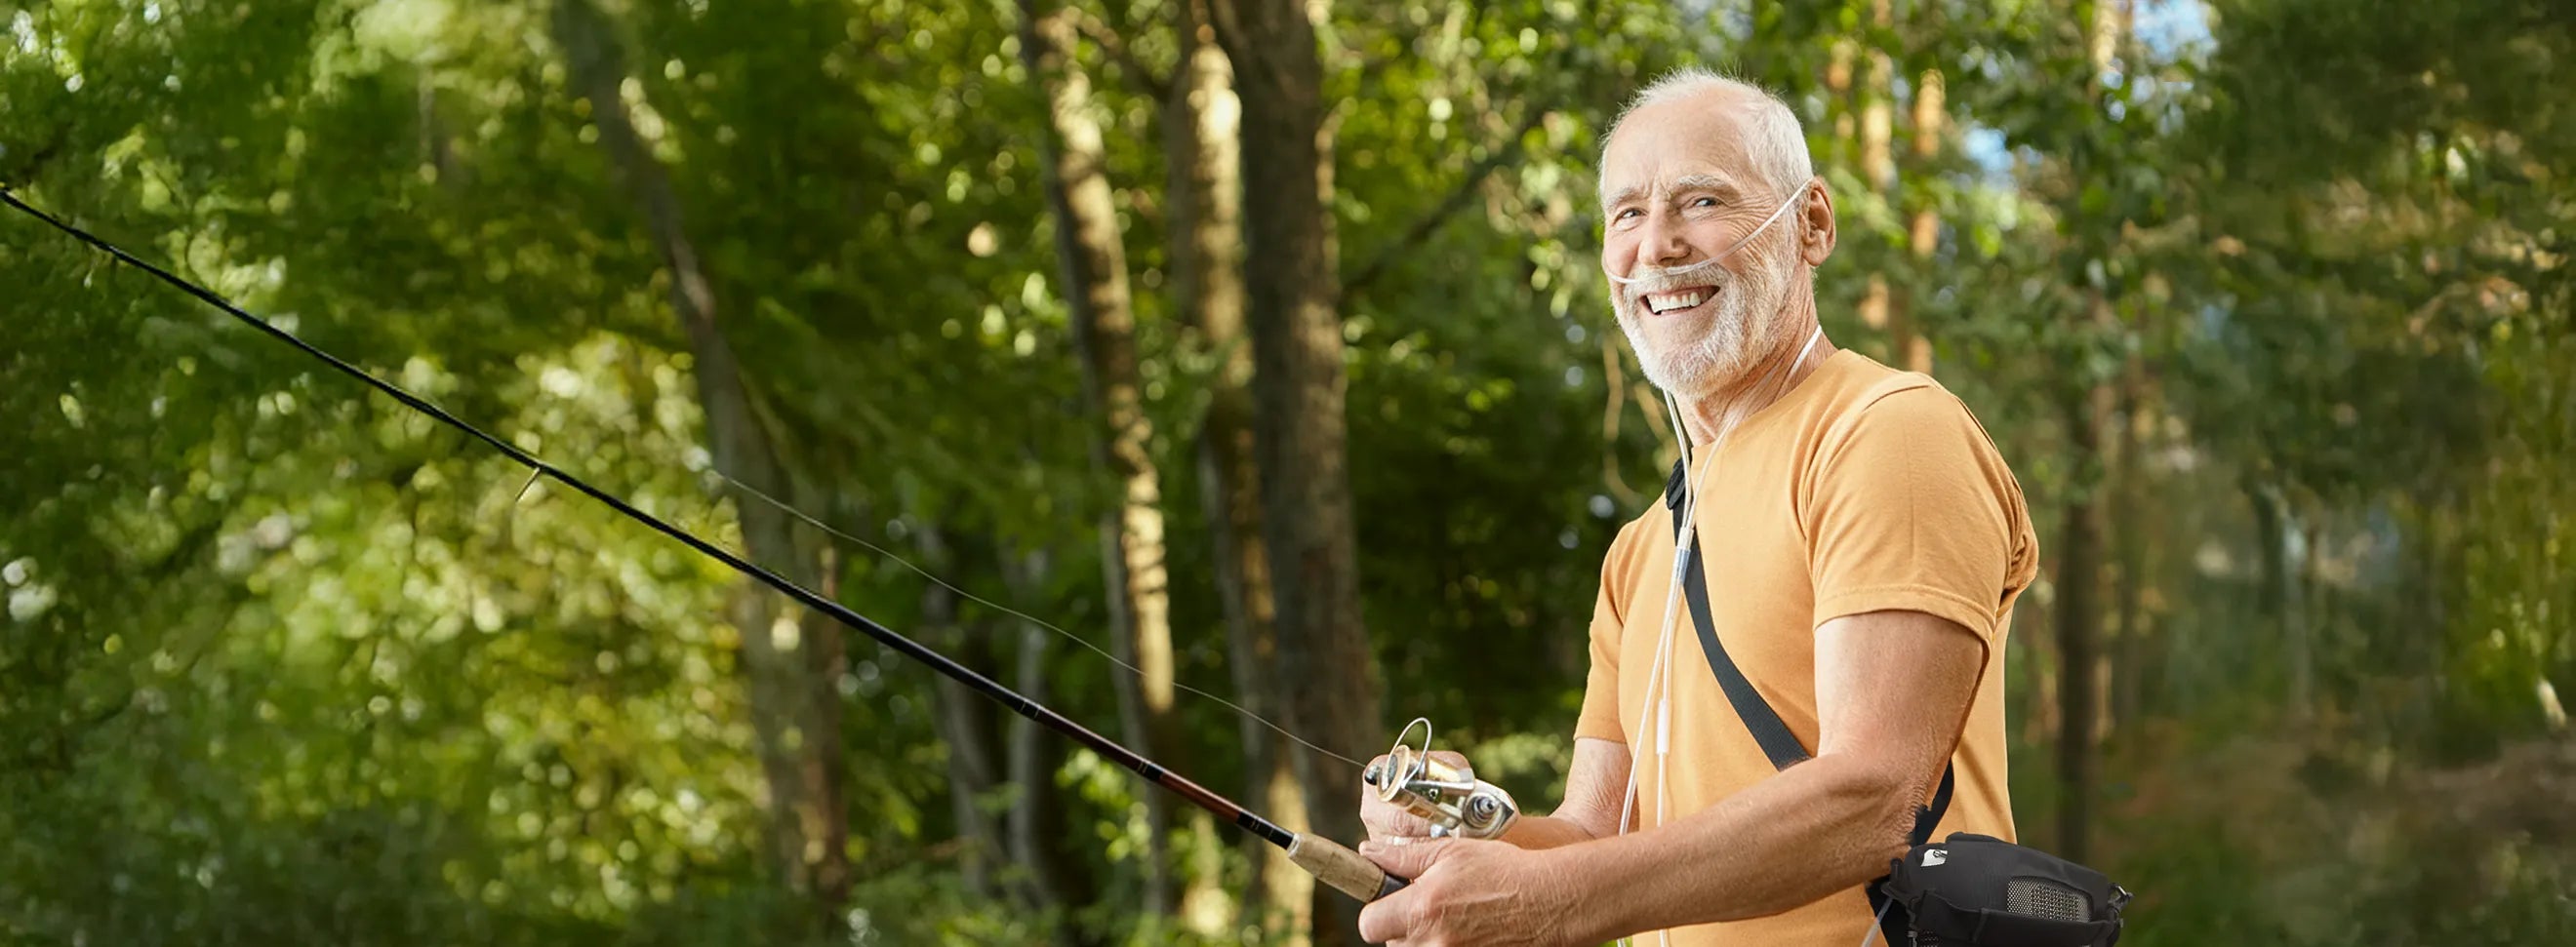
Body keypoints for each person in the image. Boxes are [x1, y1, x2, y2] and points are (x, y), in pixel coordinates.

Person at [1352, 68, 2040, 947]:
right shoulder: (1640, 550)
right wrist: (1459, 830)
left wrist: (1553, 899)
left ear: (1811, 223)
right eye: (1627, 214)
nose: (1658, 245)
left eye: (1701, 200)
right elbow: (1592, 838)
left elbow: (1874, 797)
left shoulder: (1887, 431)